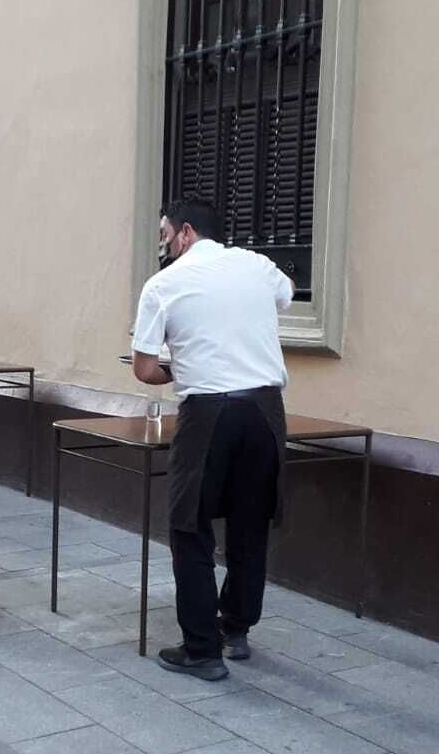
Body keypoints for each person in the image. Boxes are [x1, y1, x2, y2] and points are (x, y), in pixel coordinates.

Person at [131, 198, 293, 681]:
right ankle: (236, 628)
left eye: (164, 234)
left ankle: (202, 649)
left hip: (207, 413)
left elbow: (143, 368)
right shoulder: (257, 265)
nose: (163, 243)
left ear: (184, 233)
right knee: (250, 522)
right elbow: (283, 298)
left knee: (190, 525)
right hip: (265, 410)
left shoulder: (162, 285)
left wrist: (181, 365)